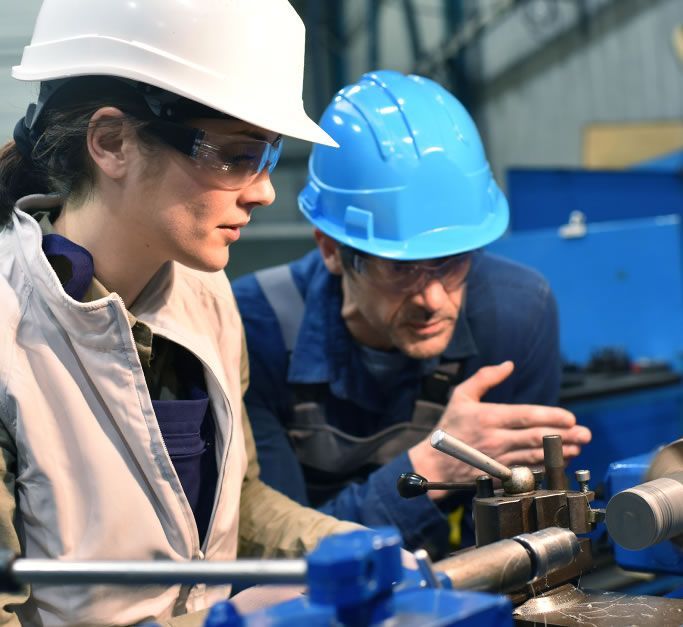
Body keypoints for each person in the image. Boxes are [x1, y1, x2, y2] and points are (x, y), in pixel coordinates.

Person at [0, 1, 361, 624]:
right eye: (235, 156)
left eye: (269, 155)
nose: (265, 190)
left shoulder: (208, 297)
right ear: (112, 143)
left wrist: (347, 548)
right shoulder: (11, 332)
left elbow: (236, 505)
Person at [233, 70, 592, 557]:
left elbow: (511, 548)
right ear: (332, 251)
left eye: (451, 262)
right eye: (399, 268)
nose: (434, 300)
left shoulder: (515, 313)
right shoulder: (256, 328)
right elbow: (278, 551)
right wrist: (433, 469)